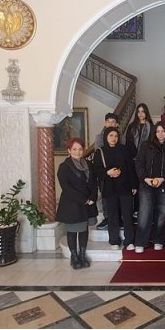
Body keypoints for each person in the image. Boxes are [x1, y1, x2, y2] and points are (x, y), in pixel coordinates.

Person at [55, 137, 98, 269]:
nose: (77, 152)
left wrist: (93, 197)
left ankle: (82, 255)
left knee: (84, 230)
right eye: (74, 149)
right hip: (73, 204)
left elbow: (94, 183)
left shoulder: (88, 164)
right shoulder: (64, 167)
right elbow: (67, 188)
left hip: (88, 203)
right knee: (73, 231)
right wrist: (84, 200)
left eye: (80, 149)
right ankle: (74, 257)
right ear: (69, 150)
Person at [133, 121, 165, 253]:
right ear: (154, 133)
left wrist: (163, 178)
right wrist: (145, 178)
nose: (160, 134)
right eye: (158, 131)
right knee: (145, 213)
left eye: (163, 131)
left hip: (163, 184)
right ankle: (141, 242)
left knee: (161, 213)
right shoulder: (146, 145)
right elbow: (139, 163)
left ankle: (158, 240)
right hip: (146, 184)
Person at [94, 127, 137, 250]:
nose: (114, 138)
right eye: (111, 135)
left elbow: (130, 168)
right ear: (106, 137)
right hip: (110, 188)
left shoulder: (124, 150)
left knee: (127, 214)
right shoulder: (100, 152)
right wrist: (108, 172)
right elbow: (96, 170)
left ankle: (129, 241)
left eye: (116, 136)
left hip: (125, 186)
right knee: (112, 214)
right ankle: (114, 241)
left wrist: (134, 185)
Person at [125, 103, 153, 217]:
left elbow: (152, 143)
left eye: (143, 111)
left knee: (144, 184)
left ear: (146, 113)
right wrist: (135, 155)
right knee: (134, 185)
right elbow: (128, 143)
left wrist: (142, 156)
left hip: (145, 160)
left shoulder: (151, 126)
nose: (141, 114)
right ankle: (136, 209)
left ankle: (145, 209)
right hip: (133, 159)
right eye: (139, 111)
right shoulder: (132, 126)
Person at [94, 112, 120, 229]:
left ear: (117, 124)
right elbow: (98, 153)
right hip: (105, 171)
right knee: (105, 196)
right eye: (108, 122)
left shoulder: (121, 137)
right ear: (105, 123)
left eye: (113, 122)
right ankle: (107, 217)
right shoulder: (99, 137)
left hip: (118, 171)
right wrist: (107, 172)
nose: (110, 124)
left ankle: (119, 218)